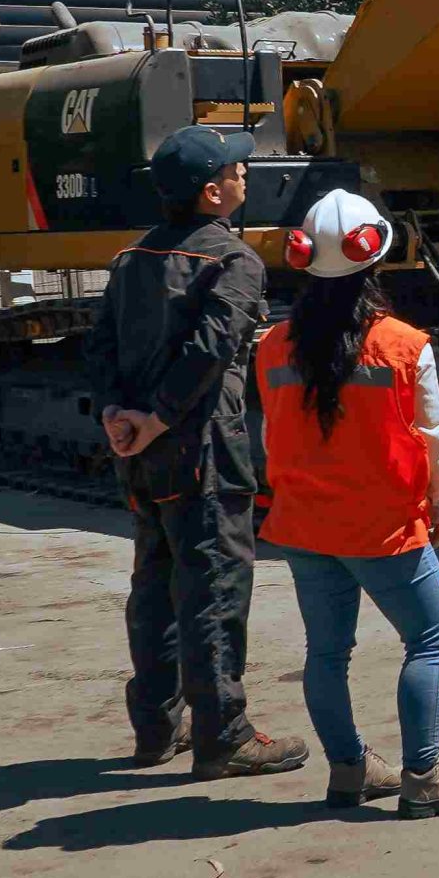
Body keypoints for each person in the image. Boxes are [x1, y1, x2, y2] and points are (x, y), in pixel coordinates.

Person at [254, 189, 439, 818]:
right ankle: (423, 777)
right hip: (383, 527)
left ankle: (349, 770)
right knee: (431, 639)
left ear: (304, 259)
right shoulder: (404, 345)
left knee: (327, 652)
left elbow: (270, 435)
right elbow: (434, 440)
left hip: (303, 525)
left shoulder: (272, 346)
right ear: (375, 260)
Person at [84, 124, 309, 780]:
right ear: (213, 193)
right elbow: (209, 352)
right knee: (212, 586)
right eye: (238, 171)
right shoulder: (232, 261)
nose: (246, 177)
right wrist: (153, 420)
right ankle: (223, 734)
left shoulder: (132, 259)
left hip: (142, 454)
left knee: (154, 582)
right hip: (202, 449)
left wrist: (118, 418)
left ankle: (156, 727)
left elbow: (99, 346)